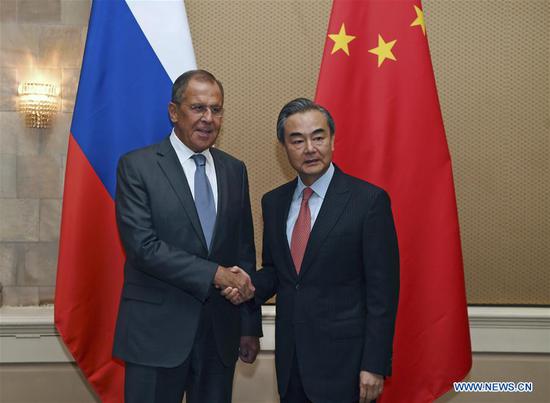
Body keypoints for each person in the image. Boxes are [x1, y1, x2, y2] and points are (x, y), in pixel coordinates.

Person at [224, 98, 399, 403]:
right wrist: (249, 285)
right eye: (297, 140)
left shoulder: (368, 201)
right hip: (292, 364)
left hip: (348, 366)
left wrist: (374, 364)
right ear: (284, 147)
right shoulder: (274, 202)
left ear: (332, 140)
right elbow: (279, 272)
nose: (309, 148)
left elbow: (382, 293)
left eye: (318, 137)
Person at [113, 69, 262, 403]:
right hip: (155, 335)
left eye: (216, 109)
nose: (208, 118)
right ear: (173, 112)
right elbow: (143, 247)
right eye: (198, 108)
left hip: (219, 336)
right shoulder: (137, 166)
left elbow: (243, 251)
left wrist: (250, 325)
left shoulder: (234, 170)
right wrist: (215, 274)